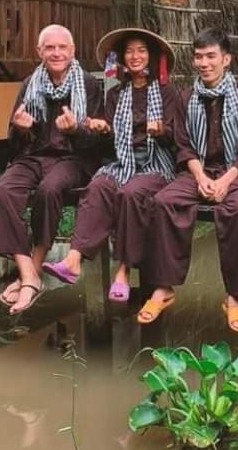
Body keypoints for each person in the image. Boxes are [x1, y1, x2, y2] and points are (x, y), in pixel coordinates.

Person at [138, 27, 238, 333]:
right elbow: (183, 145)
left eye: (211, 56)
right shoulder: (186, 97)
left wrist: (225, 181)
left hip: (237, 172)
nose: (204, 63)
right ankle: (164, 288)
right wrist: (198, 176)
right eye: (198, 56)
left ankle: (233, 297)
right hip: (196, 170)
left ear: (226, 59)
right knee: (163, 202)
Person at [41, 27, 180, 301]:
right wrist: (102, 129)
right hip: (122, 161)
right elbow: (109, 144)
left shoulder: (168, 93)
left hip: (155, 163)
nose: (135, 56)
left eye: (141, 51)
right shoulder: (116, 95)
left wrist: (161, 131)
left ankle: (123, 270)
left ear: (151, 57)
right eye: (129, 51)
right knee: (99, 186)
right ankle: (72, 260)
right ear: (122, 59)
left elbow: (179, 139)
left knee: (131, 193)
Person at [0, 24, 104, 314]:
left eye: (62, 47)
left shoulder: (88, 84)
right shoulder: (30, 84)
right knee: (3, 191)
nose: (56, 53)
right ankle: (28, 275)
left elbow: (97, 143)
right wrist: (22, 130)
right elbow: (14, 143)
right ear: (39, 52)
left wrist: (76, 129)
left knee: (49, 189)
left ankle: (30, 275)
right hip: (33, 157)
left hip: (73, 159)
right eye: (49, 48)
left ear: (73, 51)